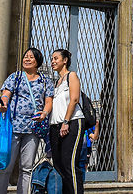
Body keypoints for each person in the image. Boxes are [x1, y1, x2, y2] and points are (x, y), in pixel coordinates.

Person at [0, 48, 54, 194]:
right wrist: (4, 103)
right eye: (25, 56)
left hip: (33, 129)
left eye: (31, 57)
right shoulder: (16, 77)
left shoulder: (45, 81)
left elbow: (48, 102)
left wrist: (44, 113)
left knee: (26, 168)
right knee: (5, 167)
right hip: (13, 128)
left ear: (37, 61)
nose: (27, 59)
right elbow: (6, 94)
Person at [48, 48, 86, 194]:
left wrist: (66, 121)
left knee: (69, 164)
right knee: (59, 165)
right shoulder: (56, 82)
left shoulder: (72, 76)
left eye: (56, 58)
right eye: (52, 59)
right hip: (55, 126)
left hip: (72, 123)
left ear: (65, 60)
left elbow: (74, 99)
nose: (52, 61)